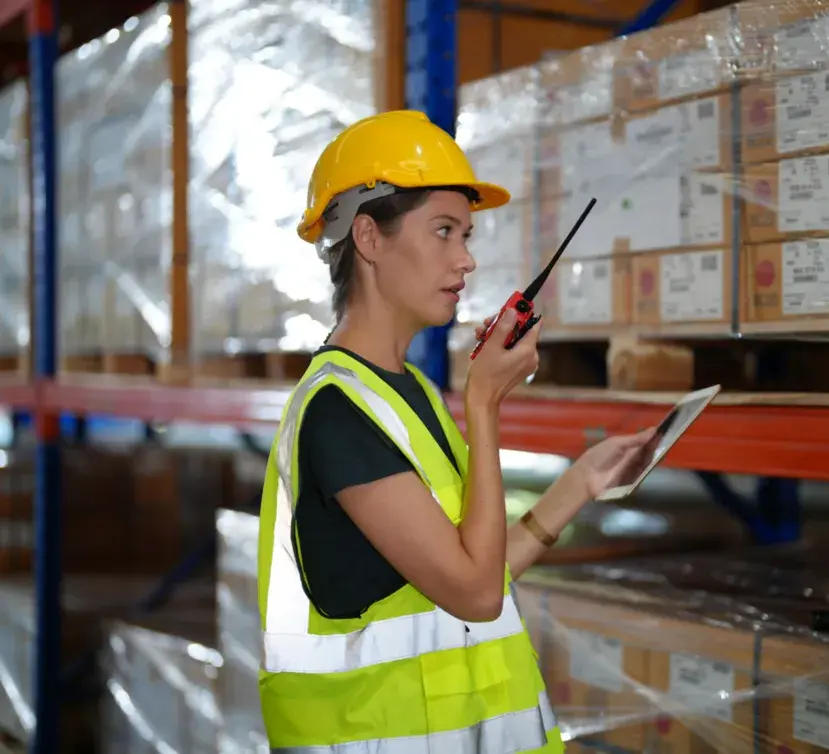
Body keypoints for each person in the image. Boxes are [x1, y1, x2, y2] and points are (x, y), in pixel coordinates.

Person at [255, 109, 657, 753]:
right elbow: (474, 594)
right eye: (444, 232)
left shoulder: (410, 393)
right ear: (369, 237)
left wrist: (583, 480)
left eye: (465, 235)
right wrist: (485, 403)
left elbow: (478, 568)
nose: (466, 259)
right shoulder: (337, 413)